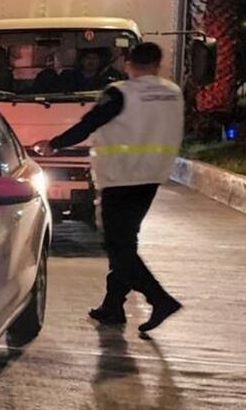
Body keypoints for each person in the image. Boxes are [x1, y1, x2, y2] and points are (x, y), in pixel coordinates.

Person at [33, 42, 183, 333]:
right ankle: (113, 306)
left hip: (121, 178)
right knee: (126, 242)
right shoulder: (172, 93)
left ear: (128, 63)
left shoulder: (121, 93)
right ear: (158, 63)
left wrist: (53, 144)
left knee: (117, 246)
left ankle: (159, 299)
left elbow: (88, 124)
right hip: (151, 178)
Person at [61, 48, 125, 92]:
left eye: (95, 58)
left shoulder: (105, 79)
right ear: (82, 60)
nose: (91, 61)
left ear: (100, 61)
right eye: (88, 57)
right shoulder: (71, 78)